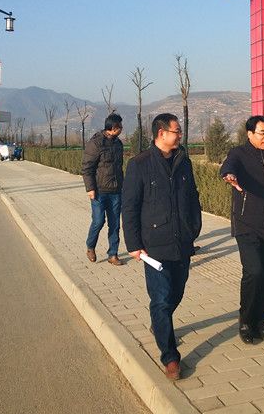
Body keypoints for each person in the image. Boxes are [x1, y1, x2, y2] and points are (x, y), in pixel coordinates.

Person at [122, 113, 202, 380]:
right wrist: (134, 244)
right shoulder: (140, 164)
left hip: (182, 241)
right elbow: (129, 206)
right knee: (161, 298)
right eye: (176, 131)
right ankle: (170, 357)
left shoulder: (183, 161)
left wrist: (194, 227)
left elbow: (192, 196)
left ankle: (159, 322)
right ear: (161, 134)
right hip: (154, 246)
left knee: (176, 292)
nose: (180, 135)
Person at [220, 115, 264, 344]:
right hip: (246, 224)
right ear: (250, 134)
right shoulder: (239, 153)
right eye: (261, 133)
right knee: (254, 271)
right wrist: (229, 175)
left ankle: (262, 323)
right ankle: (246, 321)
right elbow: (228, 167)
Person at [81, 113, 124, 265]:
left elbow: (119, 168)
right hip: (99, 191)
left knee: (115, 224)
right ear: (113, 128)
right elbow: (87, 167)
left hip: (116, 191)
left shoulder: (118, 144)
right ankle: (90, 246)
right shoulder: (96, 143)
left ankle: (113, 254)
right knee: (99, 221)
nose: (122, 129)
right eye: (120, 126)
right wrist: (90, 188)